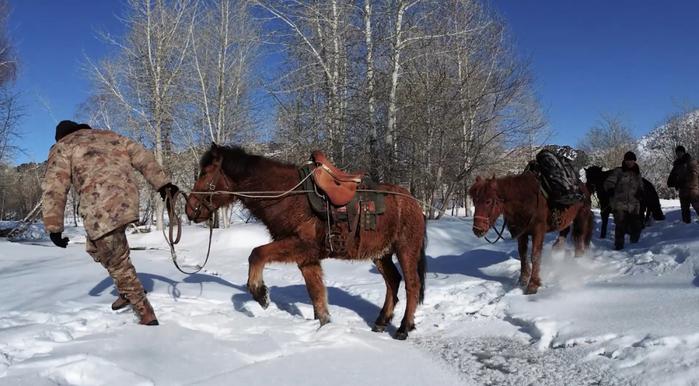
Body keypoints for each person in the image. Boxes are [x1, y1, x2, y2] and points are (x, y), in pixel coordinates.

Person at [42, 120, 179, 325]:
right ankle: (127, 290)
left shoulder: (63, 146)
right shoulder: (112, 137)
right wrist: (163, 184)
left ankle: (145, 313)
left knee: (117, 262)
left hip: (100, 209)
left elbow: (54, 186)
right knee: (96, 248)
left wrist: (53, 226)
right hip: (127, 201)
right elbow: (143, 157)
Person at [603, 151, 644, 250]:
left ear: (634, 161)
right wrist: (610, 189)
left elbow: (641, 186)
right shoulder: (619, 171)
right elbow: (609, 181)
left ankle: (634, 245)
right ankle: (619, 245)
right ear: (624, 161)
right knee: (620, 224)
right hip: (619, 203)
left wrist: (641, 192)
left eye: (631, 160)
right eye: (627, 160)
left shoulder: (637, 173)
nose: (629, 162)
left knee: (637, 226)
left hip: (634, 204)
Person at [667, 145, 699, 223]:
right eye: (677, 153)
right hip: (683, 191)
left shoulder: (691, 161)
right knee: (685, 212)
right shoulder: (677, 164)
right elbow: (672, 177)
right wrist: (672, 182)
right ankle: (685, 228)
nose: (679, 154)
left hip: (693, 190)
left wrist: (684, 182)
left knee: (697, 207)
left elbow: (694, 175)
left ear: (684, 152)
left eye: (680, 152)